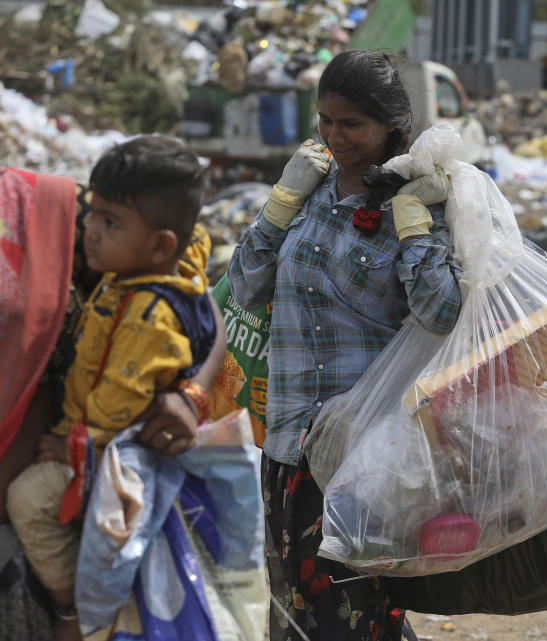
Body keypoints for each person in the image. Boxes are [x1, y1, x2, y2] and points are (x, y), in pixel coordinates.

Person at [228, 50, 462, 641]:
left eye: (350, 124)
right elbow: (246, 287)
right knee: (290, 613)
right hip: (285, 443)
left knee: (350, 617)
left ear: (389, 124)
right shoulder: (310, 190)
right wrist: (282, 200)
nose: (334, 137)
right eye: (324, 121)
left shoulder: (422, 201)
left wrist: (412, 223)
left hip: (362, 457)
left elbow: (440, 312)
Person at [6, 135, 220, 641]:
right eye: (95, 219)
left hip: (100, 458)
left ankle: (73, 608)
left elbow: (119, 402)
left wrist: (74, 444)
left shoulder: (145, 306)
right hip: (86, 448)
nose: (90, 234)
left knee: (33, 504)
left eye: (106, 224)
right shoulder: (126, 265)